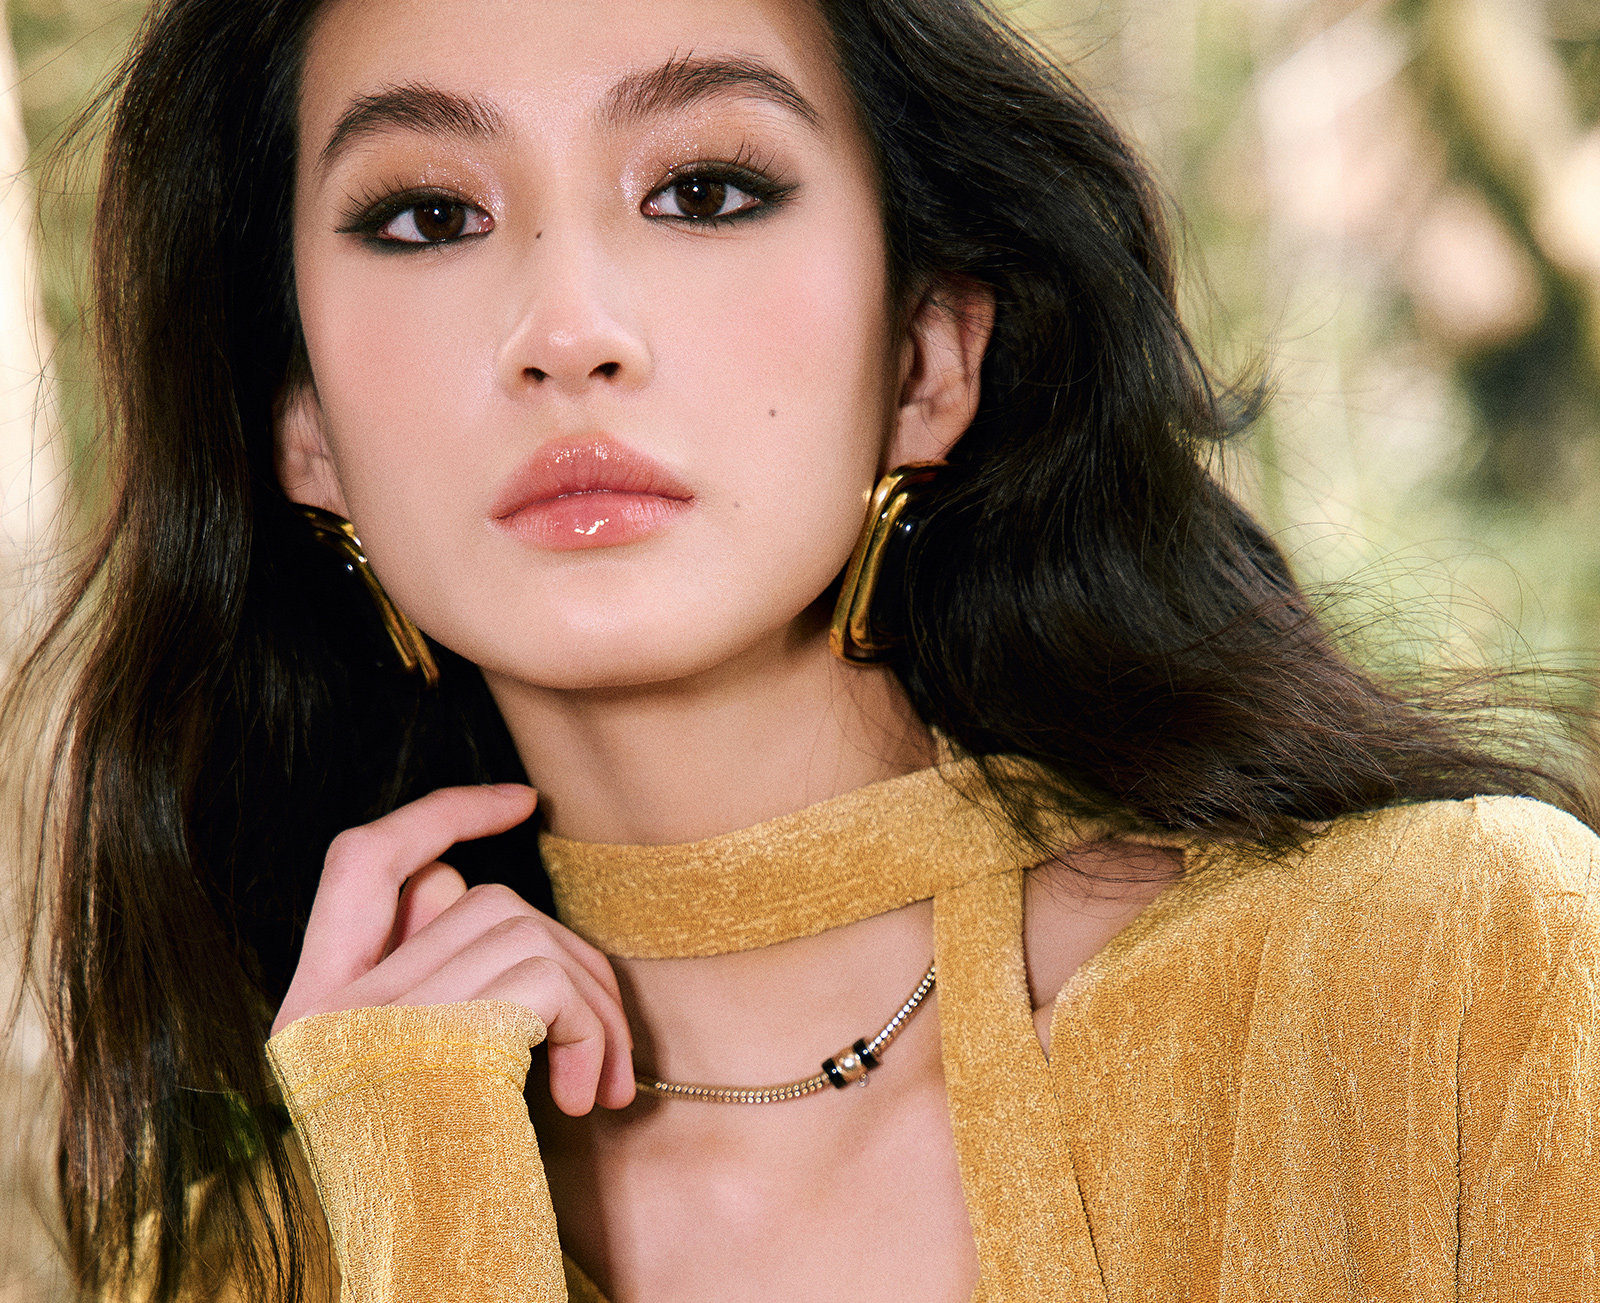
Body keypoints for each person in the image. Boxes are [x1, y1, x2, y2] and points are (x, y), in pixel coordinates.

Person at [6, 0, 1597, 1298]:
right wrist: (424, 1207)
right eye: (429, 215)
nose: (568, 331)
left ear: (925, 362)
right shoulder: (269, 1257)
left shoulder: (1464, 978)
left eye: (704, 190)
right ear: (303, 428)